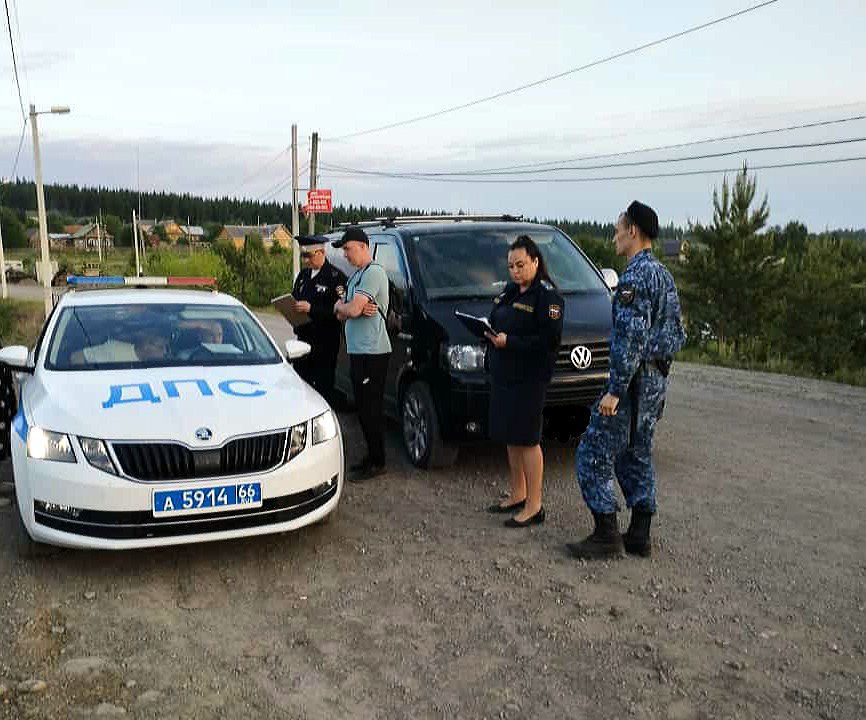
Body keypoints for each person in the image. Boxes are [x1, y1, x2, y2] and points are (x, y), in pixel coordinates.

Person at [567, 201, 685, 559]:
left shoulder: (634, 278)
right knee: (636, 452)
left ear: (633, 230)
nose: (615, 235)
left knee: (591, 453)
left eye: (618, 228)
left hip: (632, 384)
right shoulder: (663, 274)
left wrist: (616, 390)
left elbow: (630, 339)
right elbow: (677, 333)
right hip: (654, 382)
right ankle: (639, 533)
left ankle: (606, 534)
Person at [485, 235, 563, 528]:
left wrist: (511, 342)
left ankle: (534, 504)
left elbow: (549, 340)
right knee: (511, 435)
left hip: (530, 378)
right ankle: (518, 493)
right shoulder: (510, 291)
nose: (515, 271)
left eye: (520, 264)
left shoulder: (547, 297)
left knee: (528, 439)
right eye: (510, 266)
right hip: (505, 374)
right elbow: (497, 318)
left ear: (535, 261)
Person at [332, 227, 392, 481]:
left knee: (371, 408)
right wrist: (342, 307)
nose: (345, 254)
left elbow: (354, 309)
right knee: (362, 408)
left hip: (372, 351)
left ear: (363, 247)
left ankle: (378, 461)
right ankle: (371, 455)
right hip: (358, 349)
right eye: (344, 250)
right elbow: (342, 311)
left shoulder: (374, 273)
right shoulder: (357, 276)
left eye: (348, 249)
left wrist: (345, 307)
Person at [287, 235, 347, 402]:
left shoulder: (336, 278)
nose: (306, 261)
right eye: (303, 256)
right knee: (301, 384)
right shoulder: (303, 275)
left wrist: (312, 309)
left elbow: (340, 311)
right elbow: (295, 297)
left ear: (321, 252)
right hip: (303, 340)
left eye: (309, 256)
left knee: (323, 387)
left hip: (325, 341)